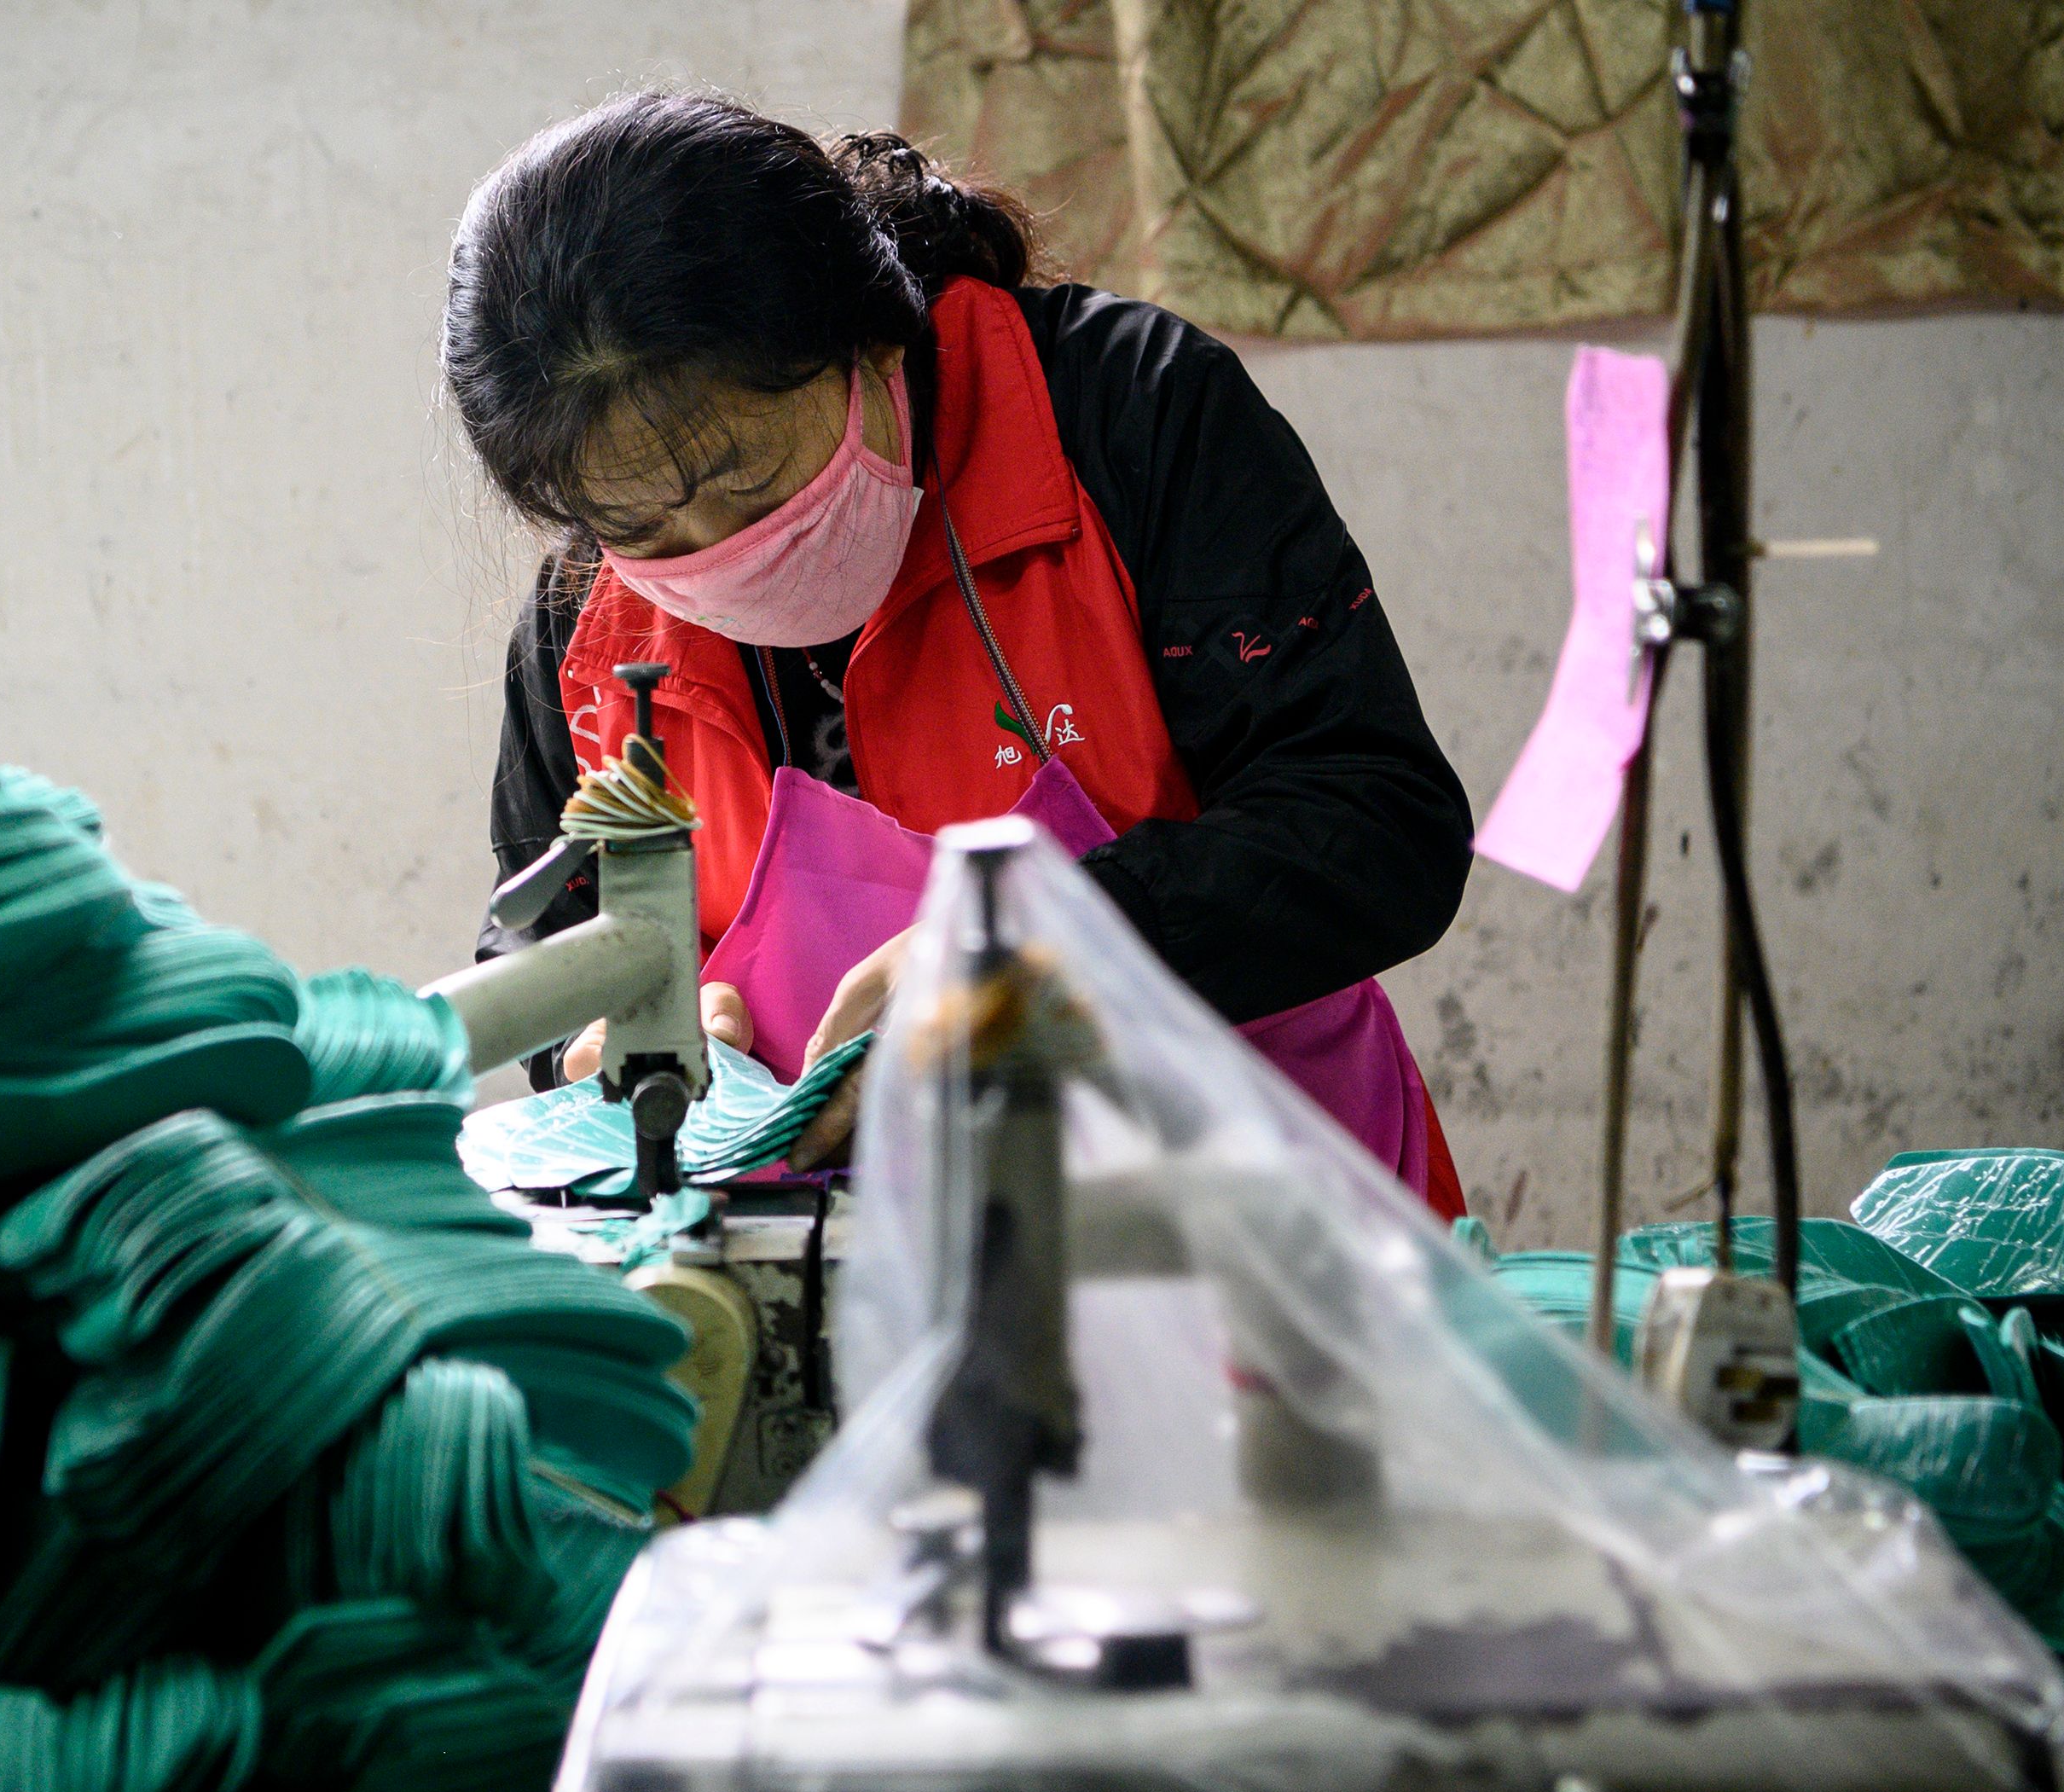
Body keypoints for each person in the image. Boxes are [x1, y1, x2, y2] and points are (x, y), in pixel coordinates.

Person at [445, 92, 1472, 1207]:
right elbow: (539, 945)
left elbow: (1379, 826)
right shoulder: (586, 615)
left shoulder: (1121, 419)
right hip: (847, 1255)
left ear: (870, 336)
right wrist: (601, 1042)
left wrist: (1048, 951)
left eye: (745, 481)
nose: (716, 553)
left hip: (1255, 1237)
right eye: (642, 527)